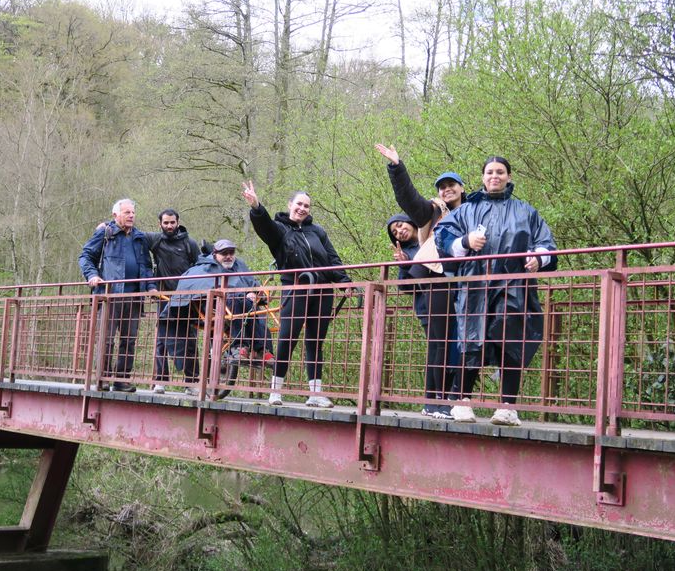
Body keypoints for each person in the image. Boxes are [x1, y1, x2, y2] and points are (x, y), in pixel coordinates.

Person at [435, 156, 557, 426]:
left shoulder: (526, 211)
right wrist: (465, 241)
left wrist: (539, 259)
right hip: (475, 285)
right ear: (482, 177)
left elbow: (546, 244)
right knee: (470, 340)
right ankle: (462, 402)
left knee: (511, 341)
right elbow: (442, 237)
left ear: (509, 177)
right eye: (489, 172)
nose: (495, 176)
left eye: (500, 172)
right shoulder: (467, 211)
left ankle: (507, 406)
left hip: (514, 286)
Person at [375, 144, 470, 421]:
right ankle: (434, 401)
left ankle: (453, 399)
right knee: (439, 341)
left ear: (462, 187)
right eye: (442, 187)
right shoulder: (433, 211)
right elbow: (409, 200)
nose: (446, 190)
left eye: (451, 185)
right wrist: (397, 167)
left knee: (463, 343)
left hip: (464, 281)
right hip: (437, 277)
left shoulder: (474, 210)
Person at [242, 181, 352, 408]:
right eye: (299, 204)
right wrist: (257, 207)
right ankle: (276, 391)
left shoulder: (318, 232)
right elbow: (265, 228)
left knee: (315, 341)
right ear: (290, 205)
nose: (302, 208)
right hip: (296, 288)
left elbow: (332, 259)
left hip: (322, 291)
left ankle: (315, 394)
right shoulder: (281, 230)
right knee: (287, 339)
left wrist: (345, 282)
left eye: (307, 206)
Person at [160, 239, 274, 394]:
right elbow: (198, 284)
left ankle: (262, 349)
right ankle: (238, 346)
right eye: (224, 253)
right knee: (236, 301)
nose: (228, 256)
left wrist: (256, 292)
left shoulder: (239, 266)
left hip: (241, 302)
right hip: (215, 304)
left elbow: (252, 282)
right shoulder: (204, 268)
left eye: (231, 253)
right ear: (215, 254)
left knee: (256, 312)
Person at [79, 199, 158, 392]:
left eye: (133, 212)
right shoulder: (105, 233)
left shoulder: (139, 238)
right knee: (106, 339)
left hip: (133, 298)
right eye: (127, 212)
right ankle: (102, 378)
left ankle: (121, 380)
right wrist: (93, 275)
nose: (131, 216)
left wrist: (151, 286)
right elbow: (85, 256)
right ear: (116, 215)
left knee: (129, 340)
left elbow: (146, 266)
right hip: (109, 296)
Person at [143, 209, 202, 393]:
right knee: (162, 339)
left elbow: (201, 267)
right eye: (166, 223)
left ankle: (191, 382)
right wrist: (106, 227)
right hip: (164, 297)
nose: (169, 226)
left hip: (188, 299)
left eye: (172, 222)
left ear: (178, 222)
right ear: (160, 224)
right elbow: (134, 235)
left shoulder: (189, 244)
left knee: (190, 340)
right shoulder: (155, 240)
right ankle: (160, 380)